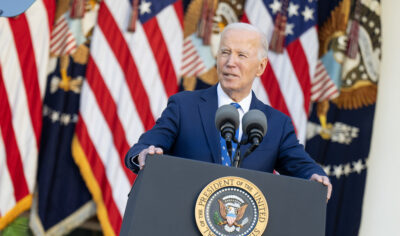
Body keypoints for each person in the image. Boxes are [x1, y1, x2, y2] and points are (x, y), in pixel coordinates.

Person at [125, 23, 332, 200]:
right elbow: (142, 148)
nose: (230, 62)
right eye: (225, 52)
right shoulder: (183, 106)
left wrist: (315, 177)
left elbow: (302, 167)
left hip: (242, 235)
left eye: (241, 55)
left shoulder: (277, 124)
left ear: (260, 67)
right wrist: (144, 154)